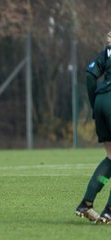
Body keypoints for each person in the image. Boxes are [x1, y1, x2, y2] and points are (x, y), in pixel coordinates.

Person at [75, 31, 111, 224]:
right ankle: (109, 211)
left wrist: (94, 103)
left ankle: (86, 203)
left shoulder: (107, 52)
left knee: (110, 159)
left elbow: (90, 76)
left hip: (102, 100)